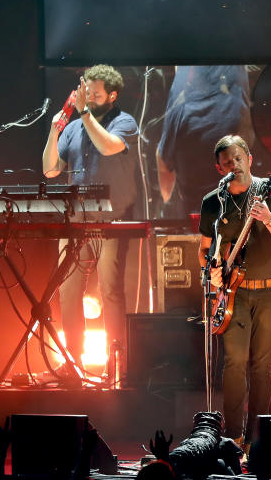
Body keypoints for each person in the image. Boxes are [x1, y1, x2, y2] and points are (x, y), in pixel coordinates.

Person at [197, 135, 271, 454]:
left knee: (261, 364)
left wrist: (267, 218)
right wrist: (211, 268)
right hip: (233, 293)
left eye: (239, 158)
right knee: (234, 361)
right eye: (227, 162)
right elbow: (204, 250)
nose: (234, 165)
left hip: (270, 291)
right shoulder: (213, 202)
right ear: (219, 168)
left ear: (250, 159)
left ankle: (258, 439)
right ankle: (233, 438)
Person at [42, 65, 138, 374]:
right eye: (86, 93)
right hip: (77, 221)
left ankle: (118, 364)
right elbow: (50, 170)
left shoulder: (124, 122)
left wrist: (83, 113)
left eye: (95, 95)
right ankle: (72, 362)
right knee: (68, 290)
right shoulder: (73, 127)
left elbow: (109, 147)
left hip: (112, 220)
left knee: (110, 289)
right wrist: (55, 130)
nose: (89, 99)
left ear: (112, 95)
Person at [156, 66, 252, 219]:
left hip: (197, 210)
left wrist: (166, 204)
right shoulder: (234, 106)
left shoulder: (181, 111)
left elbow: (163, 162)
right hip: (234, 209)